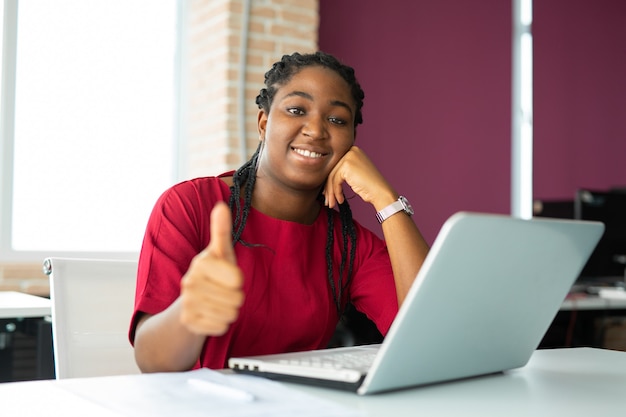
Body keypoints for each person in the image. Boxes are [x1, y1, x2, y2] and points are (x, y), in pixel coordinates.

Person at [130, 51, 430, 372]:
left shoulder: (349, 242)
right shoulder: (189, 205)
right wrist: (189, 312)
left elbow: (429, 337)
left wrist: (386, 199)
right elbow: (152, 364)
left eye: (337, 119)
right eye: (297, 109)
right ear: (263, 123)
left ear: (352, 143)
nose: (315, 130)